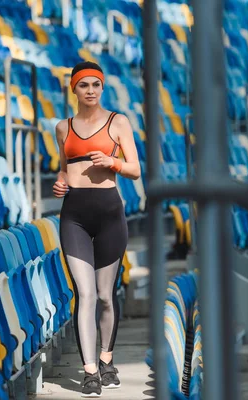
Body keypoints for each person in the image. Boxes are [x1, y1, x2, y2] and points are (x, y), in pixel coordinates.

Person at [53, 61, 141, 398]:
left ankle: (106, 359)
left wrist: (112, 162)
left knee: (105, 296)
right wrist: (61, 184)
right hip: (73, 215)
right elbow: (64, 170)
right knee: (84, 294)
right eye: (84, 85)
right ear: (73, 89)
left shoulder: (118, 122)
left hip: (109, 214)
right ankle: (89, 370)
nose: (90, 90)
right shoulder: (63, 127)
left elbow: (134, 169)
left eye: (96, 85)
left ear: (102, 88)